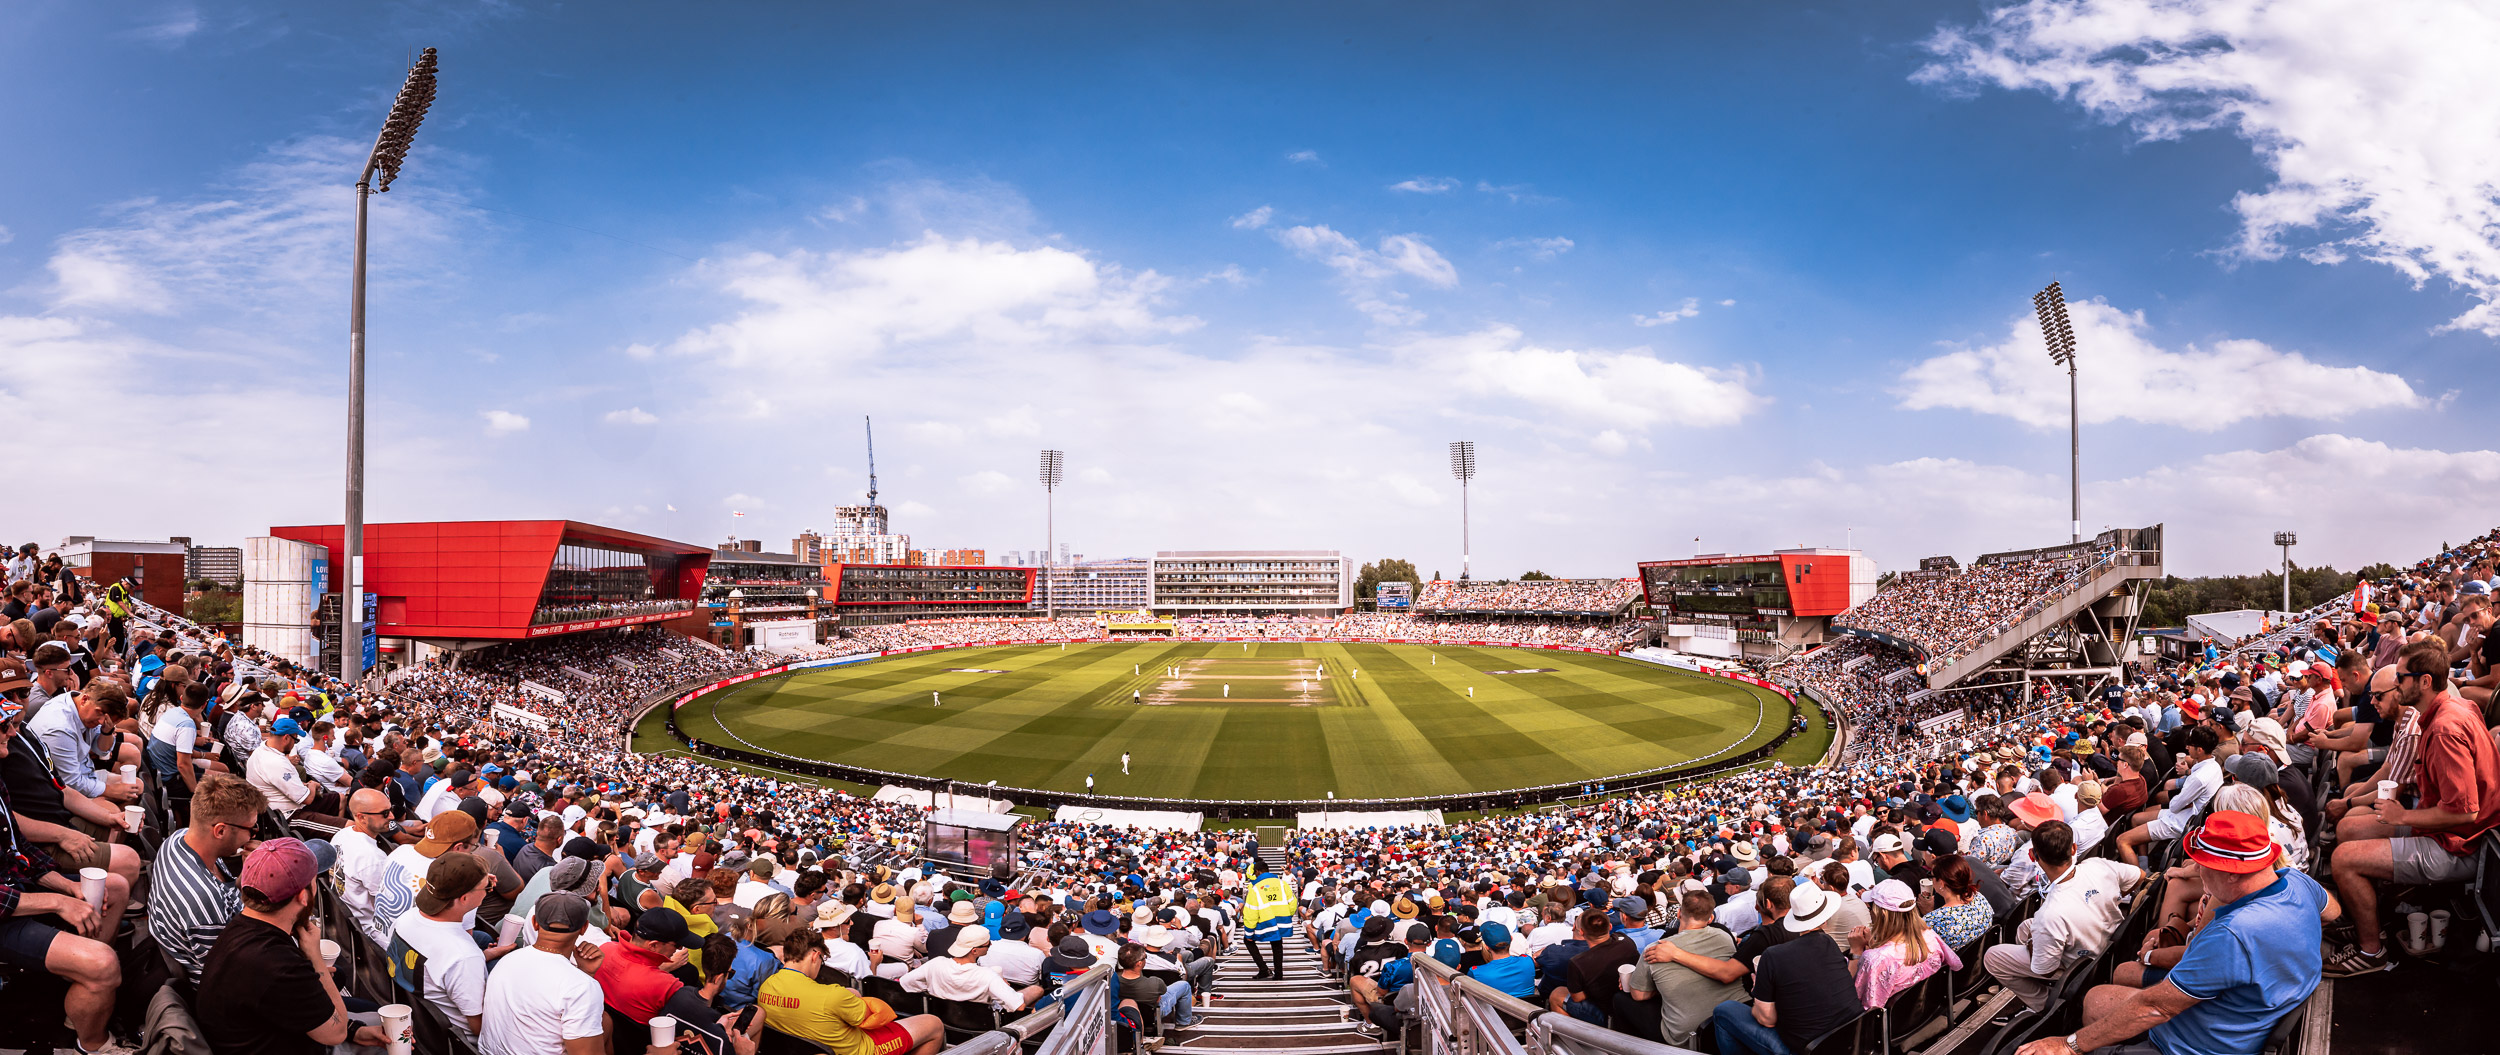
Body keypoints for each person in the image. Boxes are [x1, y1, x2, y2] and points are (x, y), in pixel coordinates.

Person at [2012, 814, 2325, 1055]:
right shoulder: (2298, 883)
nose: (2197, 871)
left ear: (2232, 871)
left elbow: (2157, 1007)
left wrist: (2069, 1045)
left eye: (2204, 864)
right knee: (2095, 999)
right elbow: (2331, 911)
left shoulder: (2234, 934)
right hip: (2244, 1017)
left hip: (2197, 1044)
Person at [0, 693, 133, 1055]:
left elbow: (19, 849)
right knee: (103, 964)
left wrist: (67, 887)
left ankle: (79, 984)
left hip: (18, 891)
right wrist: (59, 901)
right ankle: (93, 1043)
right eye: (3, 726)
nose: (12, 731)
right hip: (6, 913)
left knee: (116, 885)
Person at [194, 838, 393, 1055]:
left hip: (273, 1033)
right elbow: (335, 1034)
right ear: (303, 896)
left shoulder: (240, 930)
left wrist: (353, 1029)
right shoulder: (278, 965)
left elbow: (284, 1002)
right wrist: (315, 958)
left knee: (362, 1007)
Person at [1984, 822, 2142, 1010]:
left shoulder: (2051, 912)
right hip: (2107, 940)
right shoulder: (2097, 865)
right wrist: (2112, 898)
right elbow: (2139, 875)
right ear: (2073, 848)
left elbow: (2045, 969)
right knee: (2025, 926)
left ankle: (2046, 1004)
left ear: (2033, 856)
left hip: (2082, 964)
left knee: (1992, 956)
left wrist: (2033, 945)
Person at [1711, 882, 1859, 1055]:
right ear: (1825, 918)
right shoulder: (1829, 943)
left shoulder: (1772, 955)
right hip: (1848, 1041)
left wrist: (1758, 990)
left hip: (1804, 1048)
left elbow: (1767, 1020)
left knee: (1724, 1010)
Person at [152, 774, 268, 984]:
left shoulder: (178, 839)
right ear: (220, 830)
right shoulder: (204, 900)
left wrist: (250, 873)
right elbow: (230, 976)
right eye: (252, 829)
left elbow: (226, 894)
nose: (253, 836)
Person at [760, 929, 945, 1055]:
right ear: (815, 956)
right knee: (933, 1023)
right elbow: (870, 1018)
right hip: (860, 1049)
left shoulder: (767, 986)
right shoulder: (831, 996)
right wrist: (853, 996)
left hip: (807, 1045)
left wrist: (848, 994)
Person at [478, 892, 609, 1055]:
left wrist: (585, 973)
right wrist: (585, 976)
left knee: (606, 1021)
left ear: (534, 923)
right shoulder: (580, 987)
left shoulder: (507, 960)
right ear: (584, 928)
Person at [1626, 892, 1750, 1048]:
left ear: (1678, 913)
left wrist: (1658, 989)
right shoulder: (1724, 936)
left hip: (1689, 1036)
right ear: (1710, 918)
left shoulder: (1655, 949)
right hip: (1737, 1021)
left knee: (1622, 1000)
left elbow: (1638, 995)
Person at [395, 852, 493, 1042]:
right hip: (456, 1041)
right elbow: (478, 1027)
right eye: (486, 887)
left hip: (420, 1018)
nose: (489, 889)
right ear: (464, 898)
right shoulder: (465, 956)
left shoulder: (407, 917)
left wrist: (479, 885)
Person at [1849, 880, 1959, 1009]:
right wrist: (1874, 946)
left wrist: (1856, 951)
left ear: (1881, 913)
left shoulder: (1876, 960)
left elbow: (1860, 1005)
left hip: (1893, 1024)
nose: (1870, 910)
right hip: (1927, 1009)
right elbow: (1955, 964)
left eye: (1871, 906)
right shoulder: (1929, 936)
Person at [1242, 859, 1297, 980]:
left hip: (1265, 922)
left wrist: (1249, 931)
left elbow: (1251, 911)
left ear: (1257, 871)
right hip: (1282, 920)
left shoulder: (1255, 888)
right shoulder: (1282, 884)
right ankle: (1278, 974)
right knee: (1277, 945)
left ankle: (1263, 969)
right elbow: (1293, 903)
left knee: (1248, 940)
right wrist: (1287, 915)